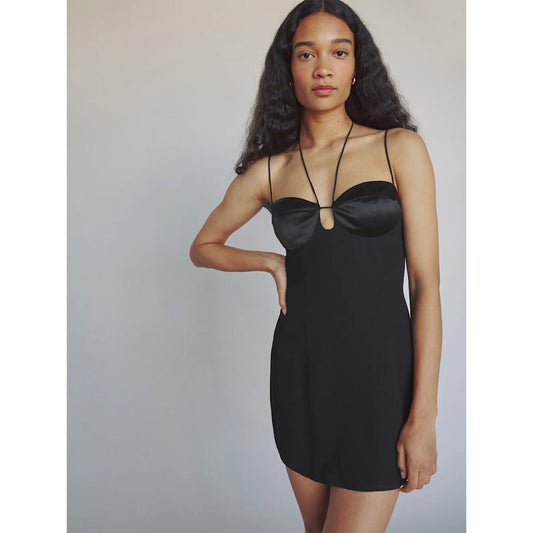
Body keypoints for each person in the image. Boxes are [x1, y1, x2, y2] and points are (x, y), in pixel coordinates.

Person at [190, 1, 442, 531]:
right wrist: (270, 262)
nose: (323, 67)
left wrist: (423, 417)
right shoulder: (270, 170)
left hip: (381, 379)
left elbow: (425, 286)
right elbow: (204, 246)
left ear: (357, 68)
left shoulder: (399, 148)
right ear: (288, 68)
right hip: (300, 376)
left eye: (339, 52)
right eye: (307, 54)